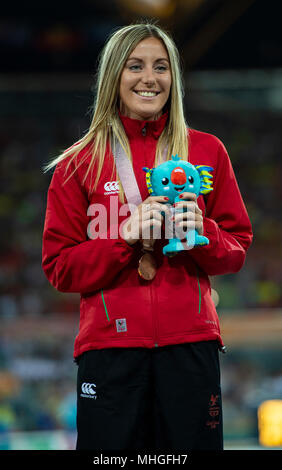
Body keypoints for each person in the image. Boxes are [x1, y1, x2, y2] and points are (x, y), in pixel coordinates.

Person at [42, 21, 253, 451]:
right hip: (110, 349)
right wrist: (125, 239)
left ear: (173, 77)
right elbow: (60, 269)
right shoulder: (78, 164)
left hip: (191, 345)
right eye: (135, 65)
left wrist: (204, 232)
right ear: (114, 76)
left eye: (161, 66)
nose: (149, 78)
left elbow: (237, 250)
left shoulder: (206, 151)